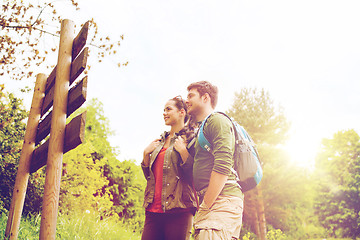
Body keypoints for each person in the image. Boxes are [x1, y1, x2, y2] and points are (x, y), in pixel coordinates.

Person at [185, 81, 244, 240]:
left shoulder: (217, 120)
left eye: (191, 96)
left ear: (205, 98)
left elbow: (223, 165)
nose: (186, 100)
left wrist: (205, 206)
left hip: (221, 201)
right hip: (214, 202)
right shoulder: (202, 129)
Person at [141, 96, 197, 240]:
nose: (164, 113)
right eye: (163, 110)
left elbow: (194, 176)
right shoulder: (159, 142)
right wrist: (146, 155)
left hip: (179, 210)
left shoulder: (191, 139)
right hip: (153, 210)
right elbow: (150, 177)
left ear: (182, 112)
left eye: (168, 109)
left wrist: (184, 152)